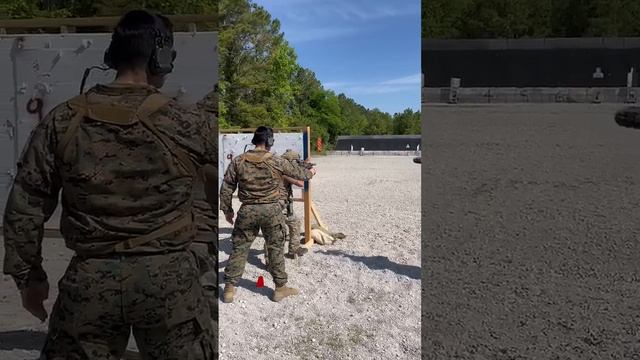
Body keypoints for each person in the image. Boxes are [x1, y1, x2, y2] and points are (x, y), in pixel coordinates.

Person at [2, 10, 217, 359]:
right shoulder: (186, 121)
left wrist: (29, 279)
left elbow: (25, 205)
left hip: (90, 280)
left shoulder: (64, 119)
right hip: (170, 283)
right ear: (160, 56)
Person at [220, 126, 316, 303]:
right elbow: (301, 174)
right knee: (275, 248)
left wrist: (227, 210)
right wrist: (311, 172)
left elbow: (226, 187)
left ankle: (229, 289)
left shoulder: (238, 161)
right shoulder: (276, 161)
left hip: (247, 210)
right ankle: (280, 288)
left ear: (255, 141)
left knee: (240, 248)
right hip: (272, 210)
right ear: (269, 141)